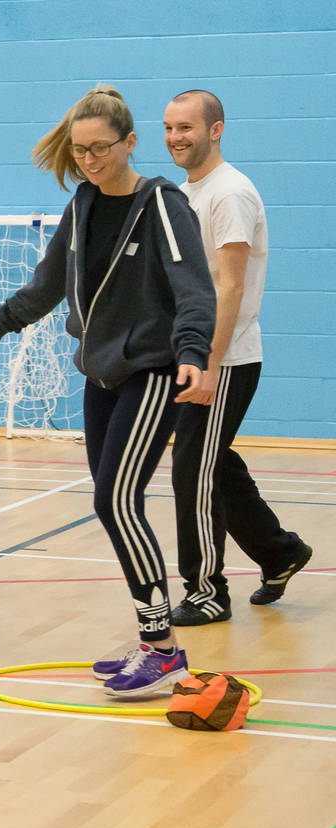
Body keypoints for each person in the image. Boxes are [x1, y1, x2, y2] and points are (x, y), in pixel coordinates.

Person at [0, 86, 216, 697]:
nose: (90, 160)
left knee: (116, 501)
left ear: (130, 142)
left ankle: (163, 650)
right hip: (99, 375)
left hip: (153, 372)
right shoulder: (82, 204)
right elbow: (47, 285)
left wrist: (193, 355)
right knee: (113, 504)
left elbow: (195, 289)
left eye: (101, 148)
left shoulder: (163, 204)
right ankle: (157, 642)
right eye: (80, 151)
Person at [163, 89, 312, 626]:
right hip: (196, 356)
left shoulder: (230, 193)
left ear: (216, 129)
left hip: (224, 359)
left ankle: (206, 591)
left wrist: (208, 363)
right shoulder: (187, 192)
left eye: (187, 127)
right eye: (169, 127)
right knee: (213, 463)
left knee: (193, 472)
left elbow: (230, 287)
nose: (176, 137)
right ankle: (279, 552)